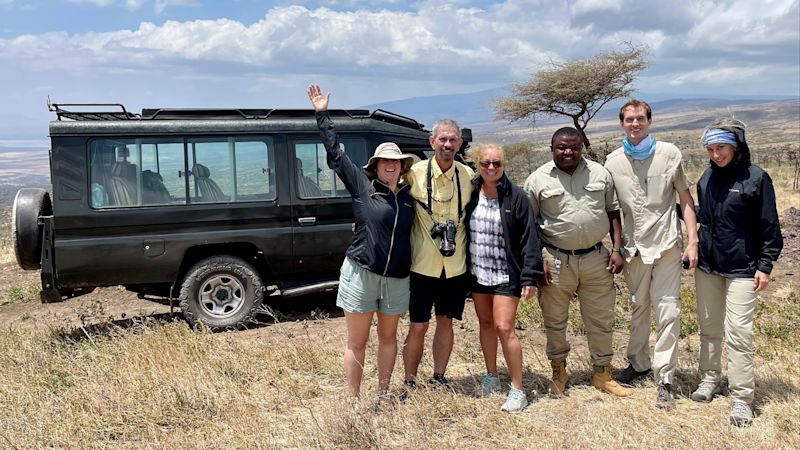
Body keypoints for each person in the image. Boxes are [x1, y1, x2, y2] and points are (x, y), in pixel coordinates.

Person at [307, 84, 415, 405]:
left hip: (396, 278)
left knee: (387, 338)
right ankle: (353, 401)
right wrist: (321, 114)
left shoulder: (411, 199)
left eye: (395, 161)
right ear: (376, 166)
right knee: (357, 341)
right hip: (361, 273)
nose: (390, 165)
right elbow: (336, 156)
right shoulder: (363, 188)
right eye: (385, 161)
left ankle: (383, 394)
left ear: (402, 166)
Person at [604, 99, 699, 409]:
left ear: (650, 120)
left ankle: (665, 378)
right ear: (622, 123)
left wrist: (692, 241)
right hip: (633, 248)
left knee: (668, 309)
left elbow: (685, 199)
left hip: (668, 244)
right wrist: (616, 248)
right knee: (638, 307)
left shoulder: (670, 154)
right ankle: (638, 363)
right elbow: (612, 210)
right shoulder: (613, 161)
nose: (635, 124)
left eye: (640, 118)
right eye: (629, 119)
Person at [524, 127, 632, 399]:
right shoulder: (537, 180)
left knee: (601, 318)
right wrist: (538, 263)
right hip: (555, 259)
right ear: (552, 148)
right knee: (554, 320)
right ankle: (559, 371)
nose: (568, 152)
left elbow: (613, 213)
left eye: (574, 146)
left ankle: (602, 373)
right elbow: (529, 227)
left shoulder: (600, 174)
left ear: (582, 146)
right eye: (561, 147)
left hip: (597, 258)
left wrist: (617, 249)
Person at [691, 118, 782, 427]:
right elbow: (703, 216)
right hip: (708, 267)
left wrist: (765, 265)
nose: (716, 155)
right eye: (711, 149)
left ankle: (742, 398)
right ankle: (710, 379)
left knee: (739, 333)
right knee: (709, 328)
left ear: (736, 146)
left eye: (722, 148)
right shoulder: (706, 178)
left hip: (743, 269)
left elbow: (770, 226)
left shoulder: (756, 178)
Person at [464, 143, 543, 412]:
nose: (491, 167)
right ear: (478, 164)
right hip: (478, 271)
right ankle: (491, 376)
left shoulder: (516, 196)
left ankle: (518, 389)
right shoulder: (471, 192)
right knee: (485, 323)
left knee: (504, 327)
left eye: (496, 163)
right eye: (486, 162)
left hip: (506, 273)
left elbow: (530, 239)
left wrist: (530, 277)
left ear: (504, 165)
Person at [402, 118, 474, 394]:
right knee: (418, 325)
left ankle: (439, 377)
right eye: (442, 139)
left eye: (452, 140)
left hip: (455, 266)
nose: (447, 145)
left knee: (446, 322)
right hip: (423, 265)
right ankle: (409, 380)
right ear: (431, 142)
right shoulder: (414, 173)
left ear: (460, 143)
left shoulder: (467, 176)